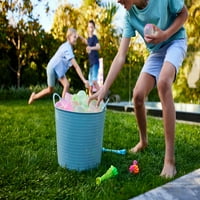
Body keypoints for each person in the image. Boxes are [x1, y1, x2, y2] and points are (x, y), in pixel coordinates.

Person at [89, 0, 188, 178]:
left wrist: (165, 35)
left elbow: (184, 14)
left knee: (164, 82)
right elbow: (121, 56)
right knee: (137, 96)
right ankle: (143, 141)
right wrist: (104, 89)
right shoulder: (130, 16)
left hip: (175, 42)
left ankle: (169, 160)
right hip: (157, 53)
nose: (117, 1)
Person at [28, 28, 89, 104]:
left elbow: (76, 36)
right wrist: (84, 80)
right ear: (68, 37)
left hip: (58, 68)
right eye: (74, 37)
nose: (76, 39)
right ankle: (61, 106)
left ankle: (64, 104)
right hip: (52, 68)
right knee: (52, 89)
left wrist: (79, 37)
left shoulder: (67, 45)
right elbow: (76, 66)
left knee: (65, 85)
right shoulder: (67, 49)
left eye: (76, 38)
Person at [79, 20, 101, 96]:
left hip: (95, 63)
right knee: (90, 85)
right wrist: (78, 35)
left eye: (91, 27)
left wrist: (90, 48)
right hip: (91, 64)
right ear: (87, 28)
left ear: (94, 28)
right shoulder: (88, 39)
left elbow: (98, 47)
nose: (90, 28)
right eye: (89, 27)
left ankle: (102, 97)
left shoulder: (95, 38)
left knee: (94, 81)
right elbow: (85, 41)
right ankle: (90, 101)